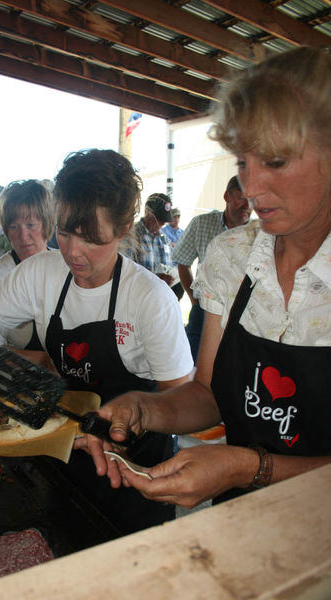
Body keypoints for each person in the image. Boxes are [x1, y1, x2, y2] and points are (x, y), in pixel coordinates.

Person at [79, 46, 331, 510]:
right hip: (241, 519)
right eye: (241, 162)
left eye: (274, 161)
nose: (252, 188)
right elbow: (209, 395)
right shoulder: (232, 255)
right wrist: (145, 408)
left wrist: (246, 467)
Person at [0, 149, 192, 534]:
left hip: (135, 463)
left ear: (122, 229)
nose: (72, 251)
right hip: (64, 447)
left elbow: (181, 398)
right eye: (65, 233)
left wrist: (132, 418)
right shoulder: (43, 273)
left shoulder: (150, 299)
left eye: (91, 239)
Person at [0, 179, 55, 367]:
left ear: (47, 224)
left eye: (31, 224)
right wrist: (45, 361)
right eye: (14, 227)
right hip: (13, 383)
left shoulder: (66, 267)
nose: (23, 236)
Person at [173, 176, 250, 362]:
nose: (247, 206)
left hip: (243, 316)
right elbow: (183, 263)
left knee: (233, 371)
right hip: (204, 311)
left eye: (253, 200)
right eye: (242, 198)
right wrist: (193, 299)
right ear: (227, 196)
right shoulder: (202, 224)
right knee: (192, 364)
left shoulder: (261, 234)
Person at [129, 193, 184, 300]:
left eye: (164, 219)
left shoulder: (163, 238)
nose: (163, 223)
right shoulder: (131, 236)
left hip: (159, 300)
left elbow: (170, 265)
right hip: (138, 301)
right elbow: (124, 274)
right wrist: (156, 279)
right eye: (159, 219)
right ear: (147, 212)